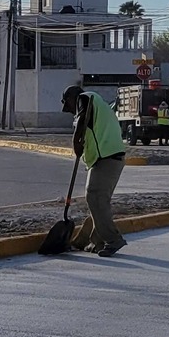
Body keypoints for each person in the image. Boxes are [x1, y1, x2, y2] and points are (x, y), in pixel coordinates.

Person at [63, 82, 127, 255]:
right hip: (110, 157)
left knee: (94, 197)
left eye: (65, 103)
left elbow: (82, 118)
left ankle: (113, 240)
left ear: (72, 97)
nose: (66, 109)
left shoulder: (85, 98)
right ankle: (88, 241)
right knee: (99, 201)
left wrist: (76, 141)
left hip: (107, 157)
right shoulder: (97, 103)